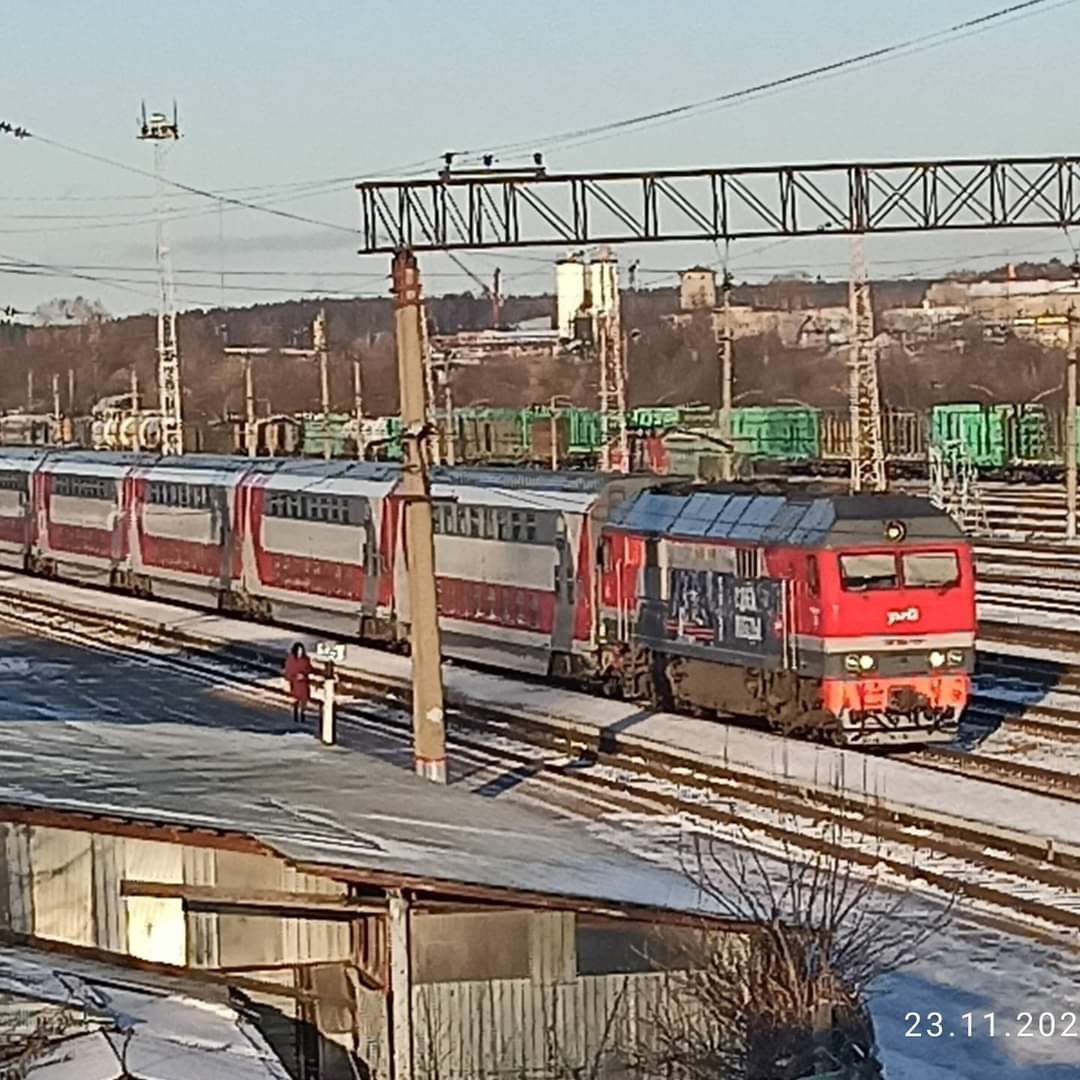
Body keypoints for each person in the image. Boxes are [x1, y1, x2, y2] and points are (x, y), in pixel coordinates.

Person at [283, 642, 314, 725]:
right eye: (298, 650)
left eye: (301, 650)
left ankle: (302, 714)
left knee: (304, 699)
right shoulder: (291, 660)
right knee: (296, 699)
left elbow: (310, 669)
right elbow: (288, 671)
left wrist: (304, 674)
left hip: (304, 683)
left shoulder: (306, 659)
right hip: (295, 683)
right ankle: (296, 714)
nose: (300, 652)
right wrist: (295, 676)